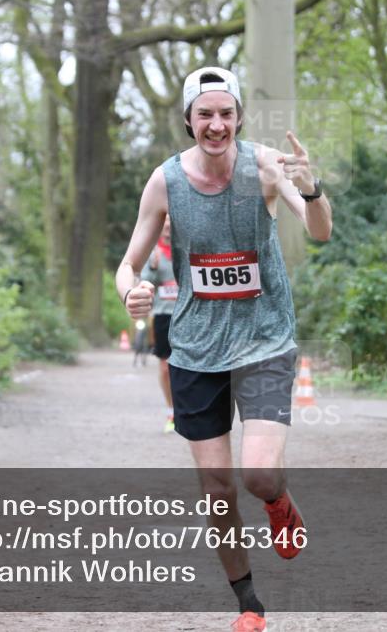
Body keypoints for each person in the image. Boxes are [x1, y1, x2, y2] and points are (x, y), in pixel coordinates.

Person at [116, 66, 332, 632]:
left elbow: (319, 230)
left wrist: (311, 187)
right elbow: (128, 263)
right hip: (194, 348)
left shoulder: (263, 166)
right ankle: (249, 605)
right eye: (205, 114)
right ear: (189, 120)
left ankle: (279, 500)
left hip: (263, 338)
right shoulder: (165, 182)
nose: (216, 124)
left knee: (258, 475)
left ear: (239, 117)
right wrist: (131, 293)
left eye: (226, 113)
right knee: (217, 491)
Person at [139, 216, 178, 433]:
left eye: (171, 227)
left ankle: (187, 408)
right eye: (164, 227)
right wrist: (153, 269)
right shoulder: (154, 253)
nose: (168, 231)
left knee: (186, 365)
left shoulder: (186, 249)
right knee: (165, 367)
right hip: (163, 316)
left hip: (188, 314)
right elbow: (144, 282)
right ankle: (171, 409)